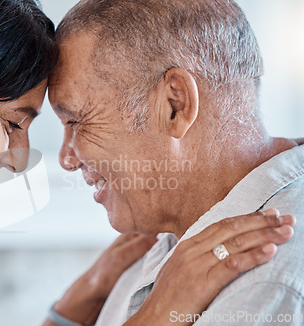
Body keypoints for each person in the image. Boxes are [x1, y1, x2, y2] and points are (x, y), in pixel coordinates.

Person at [0, 0, 295, 325]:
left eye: (77, 121)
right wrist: (158, 317)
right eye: (13, 123)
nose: (24, 161)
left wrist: (72, 311)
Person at [48, 0, 304, 325]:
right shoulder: (159, 244)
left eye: (76, 122)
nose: (66, 159)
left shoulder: (264, 282)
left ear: (175, 105)